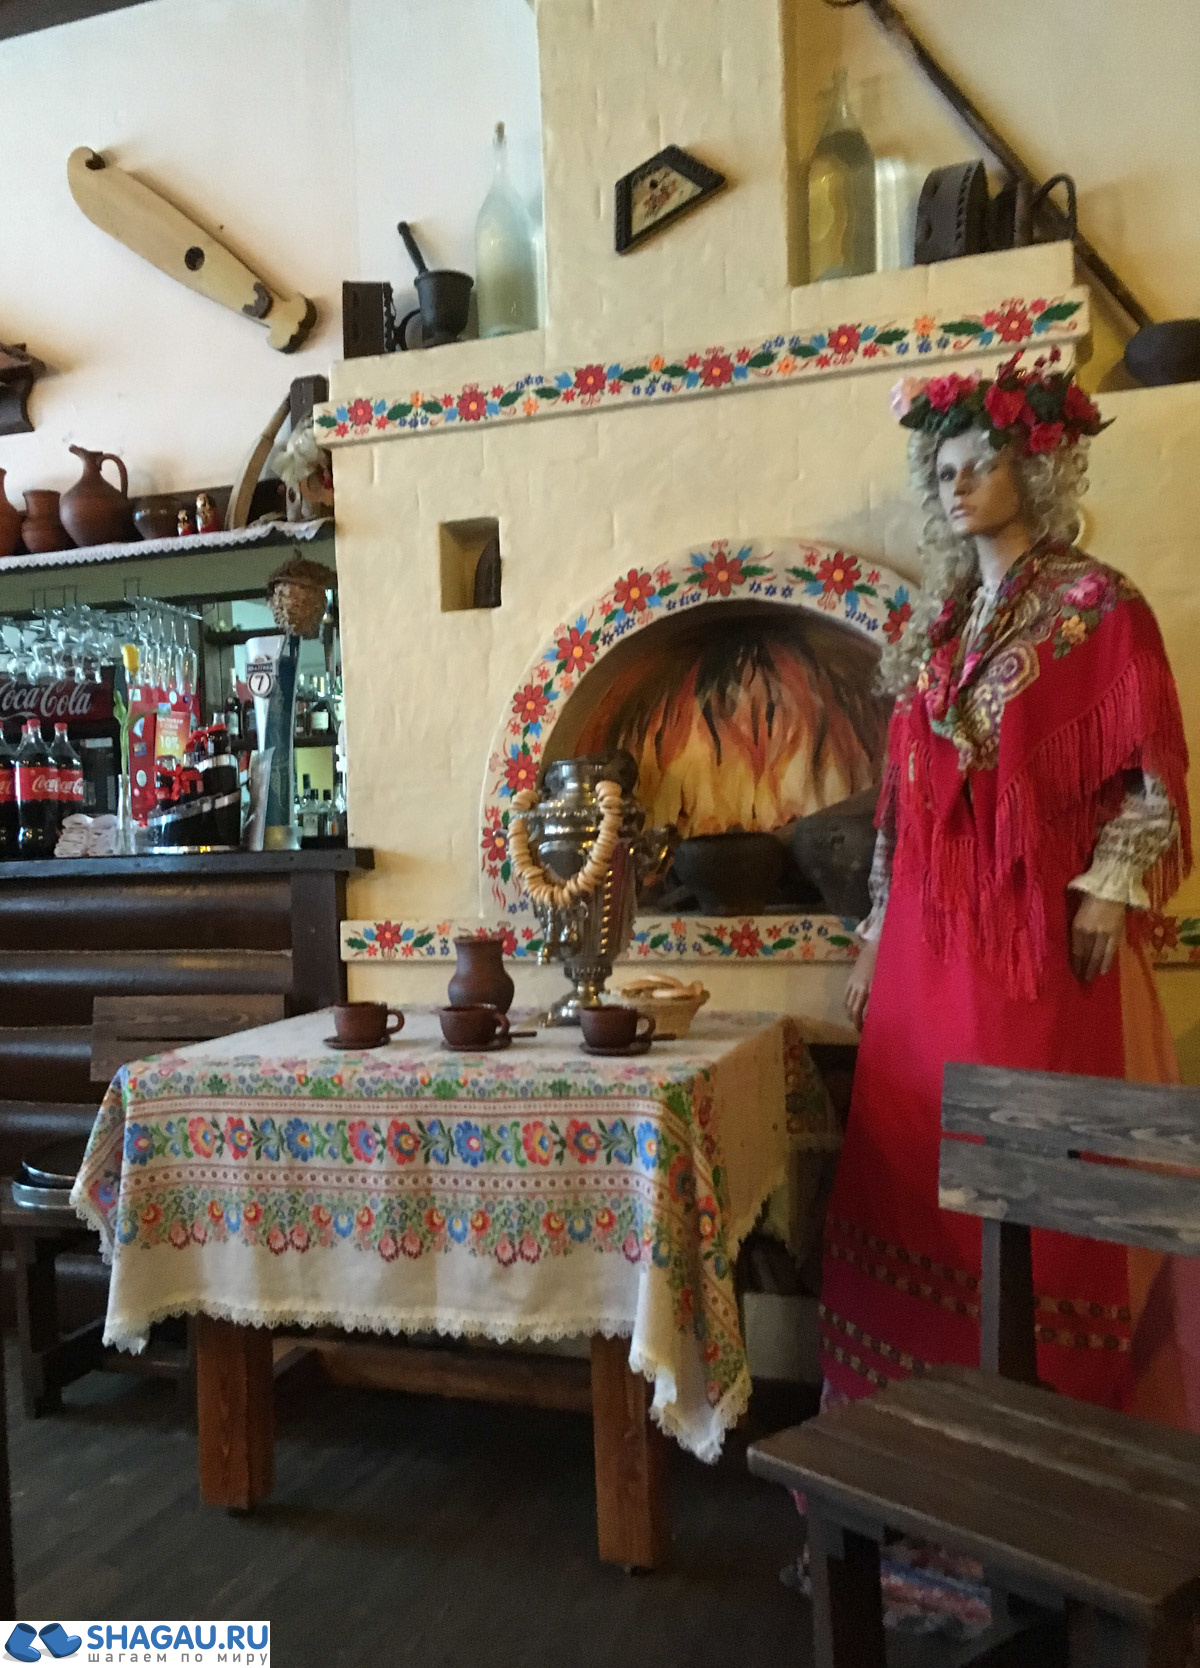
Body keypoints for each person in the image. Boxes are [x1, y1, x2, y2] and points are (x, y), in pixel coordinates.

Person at [821, 351, 1197, 1427]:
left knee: (1039, 1178)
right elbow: (902, 805)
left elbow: (1153, 771)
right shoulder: (938, 627)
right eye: (945, 469)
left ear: (1035, 467)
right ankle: (909, 1435)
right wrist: (875, 933)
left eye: (982, 463)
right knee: (921, 1176)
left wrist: (1111, 888)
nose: (960, 483)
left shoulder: (1097, 604)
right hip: (926, 950)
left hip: (1038, 942)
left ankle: (1058, 1432)